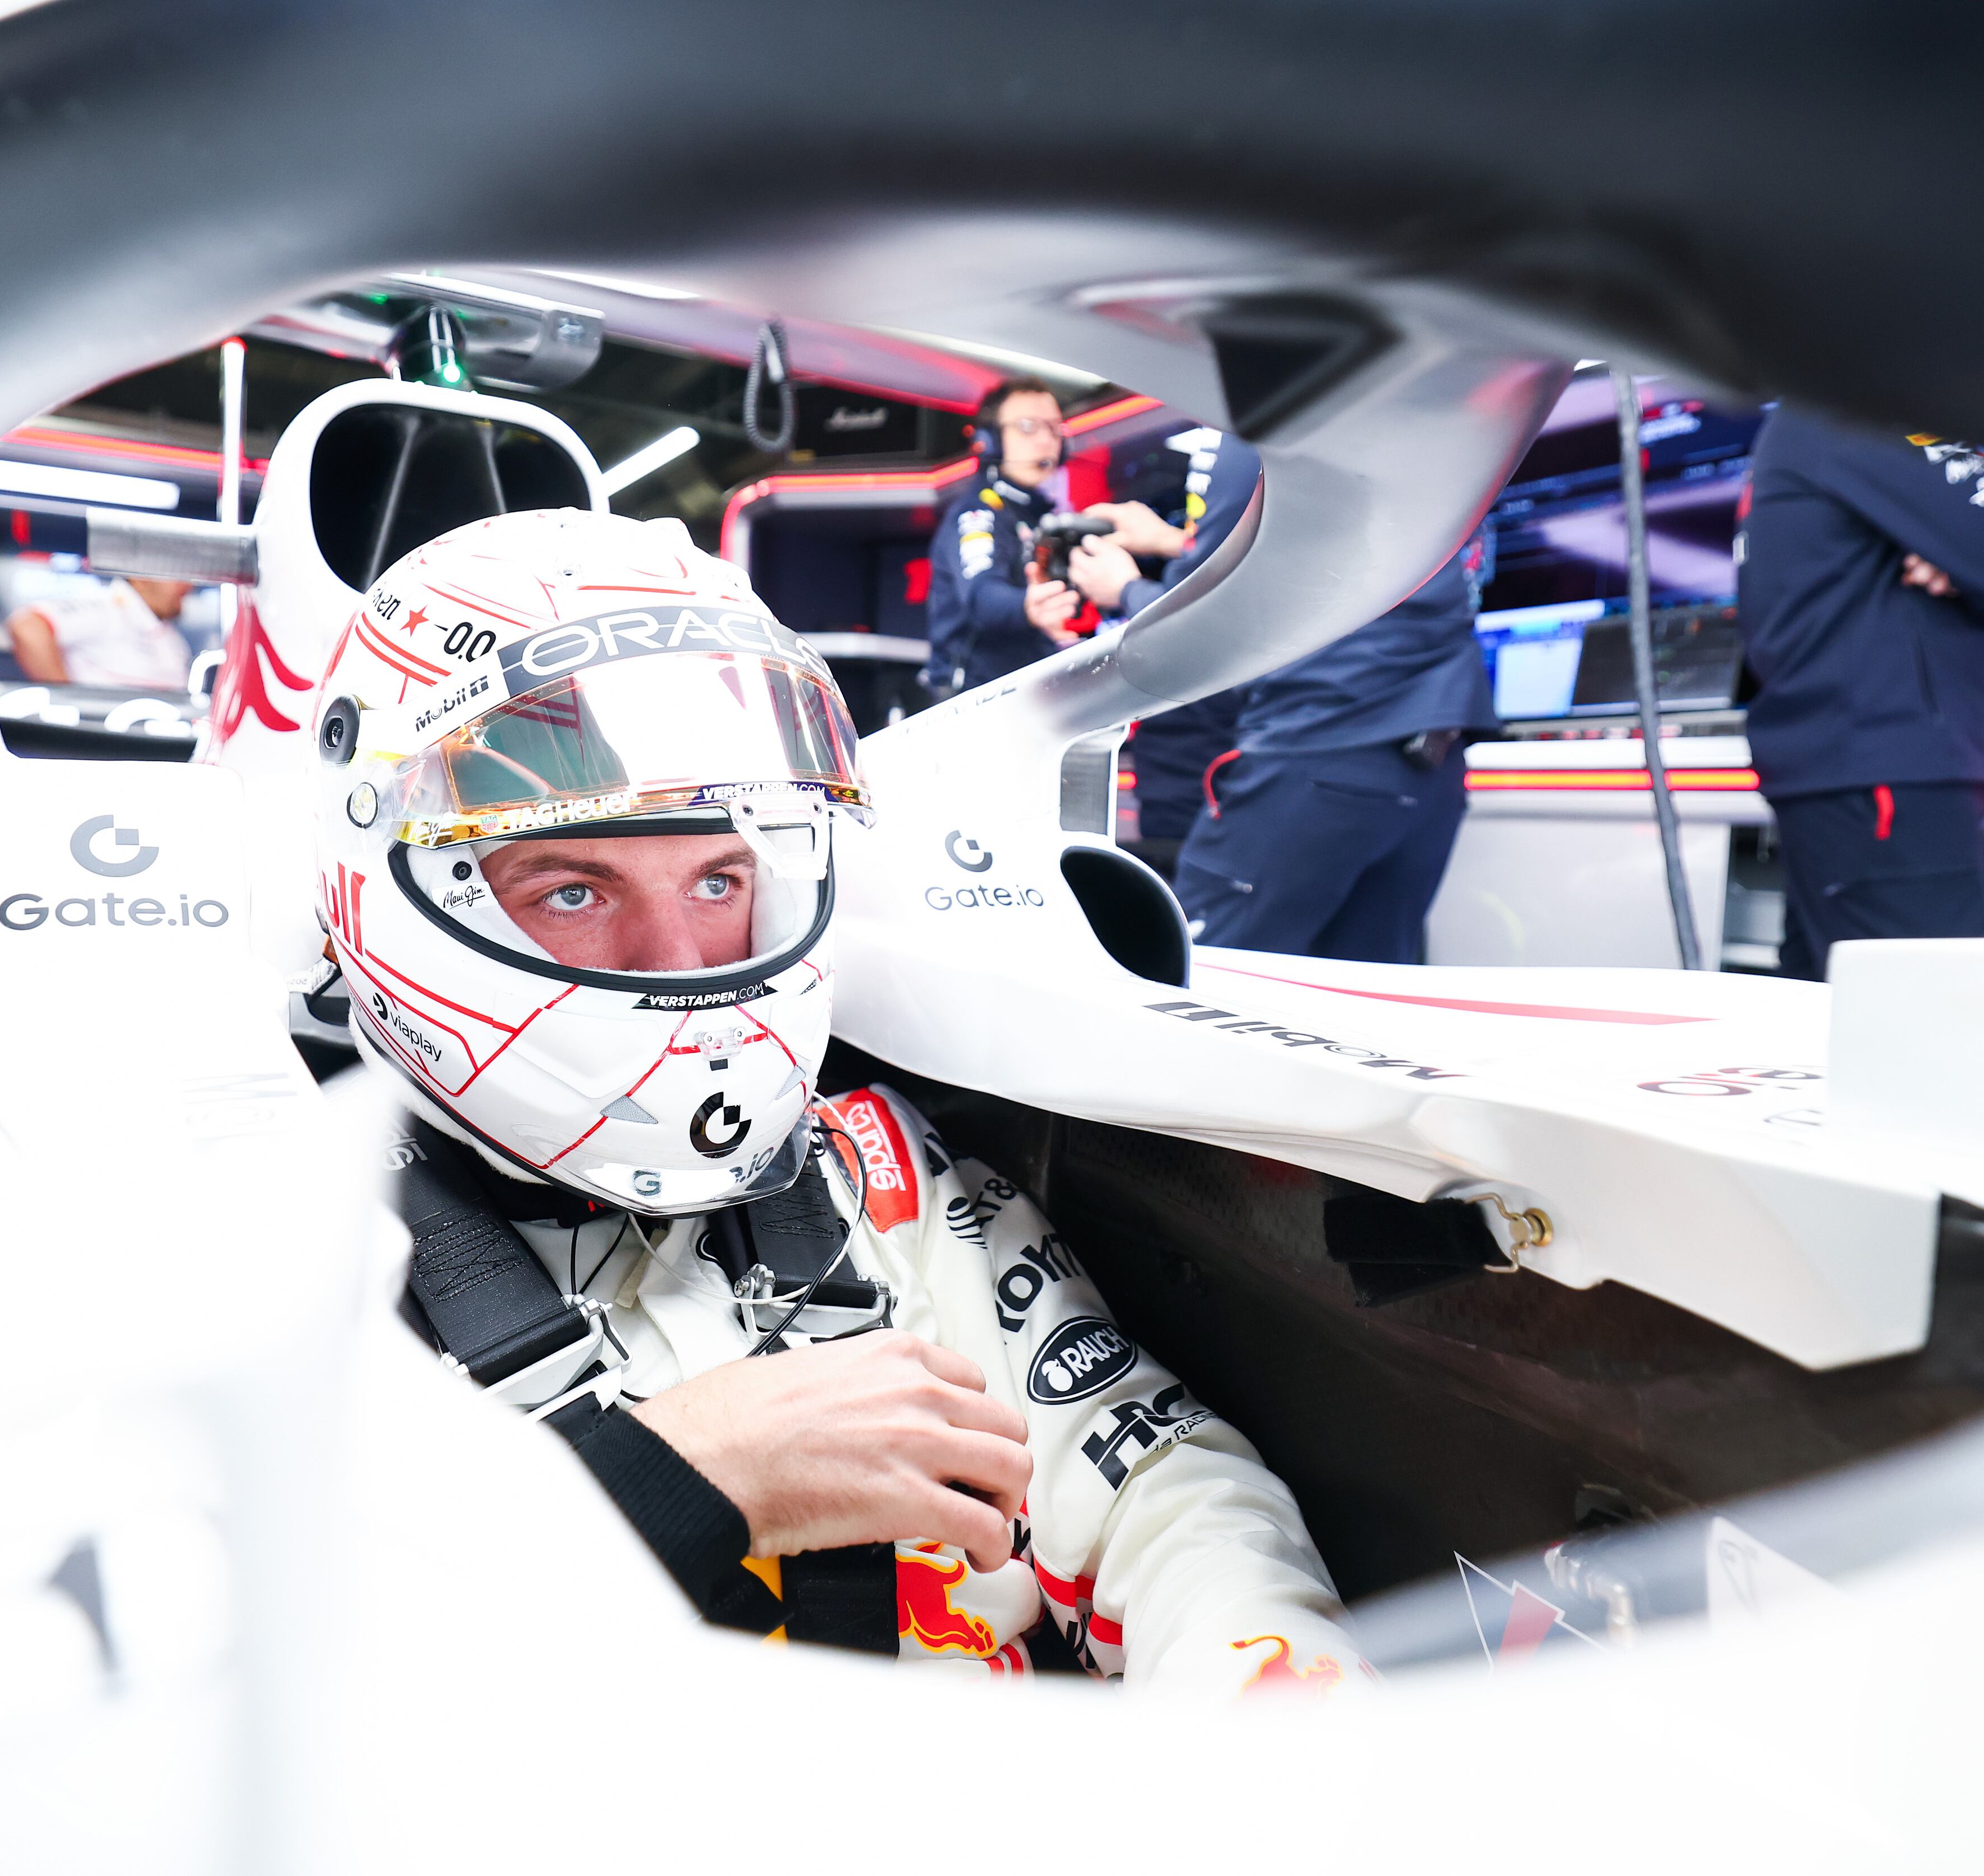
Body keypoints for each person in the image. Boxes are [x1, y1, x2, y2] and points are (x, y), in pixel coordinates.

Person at [312, 508, 1359, 1692]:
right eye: (571, 889)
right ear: (396, 890)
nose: (681, 958)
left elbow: (1160, 1494)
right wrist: (687, 1472)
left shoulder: (871, 1172)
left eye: (718, 878)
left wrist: (1275, 1738)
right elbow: (211, 1707)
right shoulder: (274, 1247)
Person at [1735, 407, 1984, 980]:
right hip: (1884, 771)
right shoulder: (1854, 411)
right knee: (1920, 1027)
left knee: (1829, 1014)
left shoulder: (1801, 426)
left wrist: (1959, 564)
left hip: (1848, 768)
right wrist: (1964, 564)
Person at [1149, 506, 1497, 966]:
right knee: (1367, 992)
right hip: (1433, 760)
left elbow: (1200, 618)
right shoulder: (1447, 448)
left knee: (1201, 979)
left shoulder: (1267, 437)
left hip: (1321, 742)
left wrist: (1126, 588)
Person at [1066, 429, 1258, 876]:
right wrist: (1170, 541)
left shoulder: (1241, 438)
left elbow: (1210, 616)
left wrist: (1126, 590)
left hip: (1213, 752)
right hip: (1209, 750)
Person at [922, 375, 1089, 694]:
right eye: (1028, 426)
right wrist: (1028, 607)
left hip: (1025, 697)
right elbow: (982, 596)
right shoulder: (978, 514)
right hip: (972, 706)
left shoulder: (1040, 515)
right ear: (991, 441)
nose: (1045, 440)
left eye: (1055, 428)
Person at [3, 574, 196, 690]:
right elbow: (28, 627)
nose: (187, 585)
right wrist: (68, 706)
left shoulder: (173, 640)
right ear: (141, 576)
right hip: (102, 748)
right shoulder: (106, 609)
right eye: (175, 575)